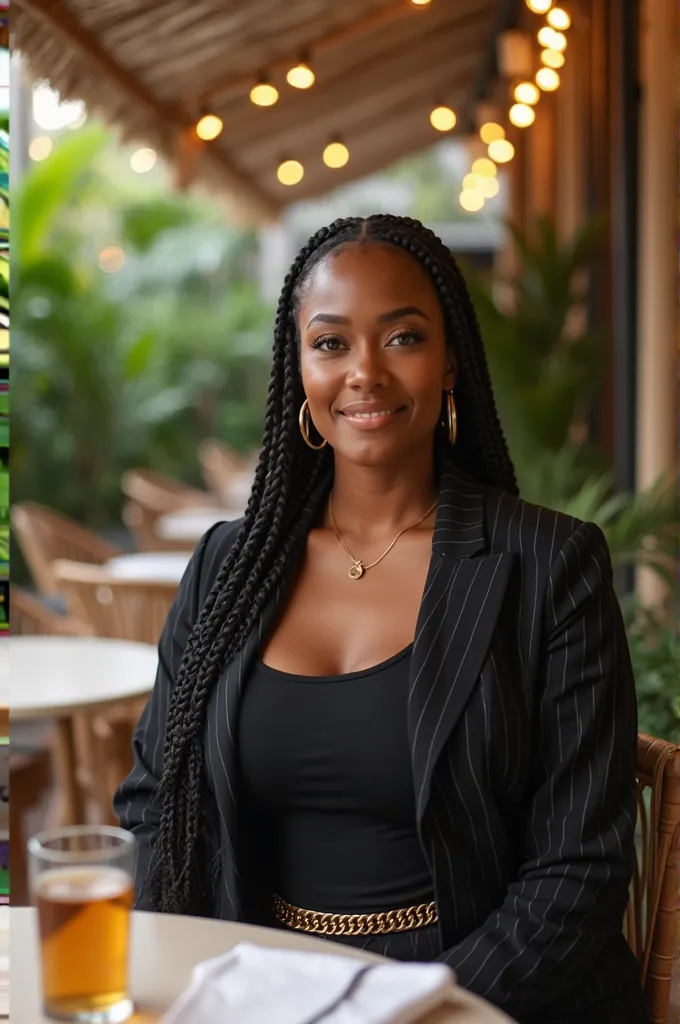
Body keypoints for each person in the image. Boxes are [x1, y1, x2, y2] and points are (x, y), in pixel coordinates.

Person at [114, 215, 649, 1024]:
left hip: (484, 995)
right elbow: (155, 803)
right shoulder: (229, 568)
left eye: (402, 338)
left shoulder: (550, 564)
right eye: (330, 343)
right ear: (298, 371)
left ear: (451, 362)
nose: (364, 372)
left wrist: (405, 1012)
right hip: (269, 987)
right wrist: (209, 985)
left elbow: (580, 869)